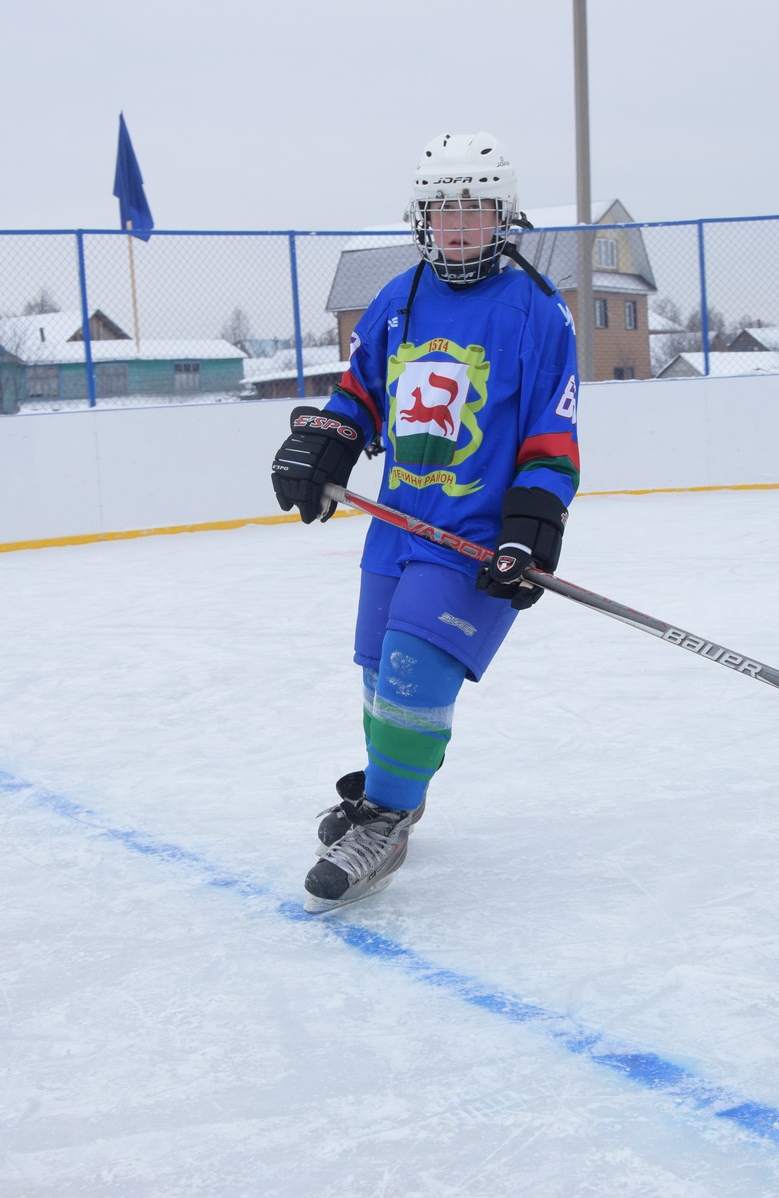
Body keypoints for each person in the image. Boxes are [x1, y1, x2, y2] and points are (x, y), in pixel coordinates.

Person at [269, 131, 580, 913]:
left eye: (476, 212)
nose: (460, 229)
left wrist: (531, 525)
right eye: (446, 213)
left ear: (502, 218)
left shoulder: (538, 313)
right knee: (378, 672)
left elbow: (553, 433)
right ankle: (392, 789)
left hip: (471, 537)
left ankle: (384, 820)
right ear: (424, 220)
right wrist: (326, 446)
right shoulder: (399, 298)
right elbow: (361, 393)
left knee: (416, 666)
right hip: (399, 524)